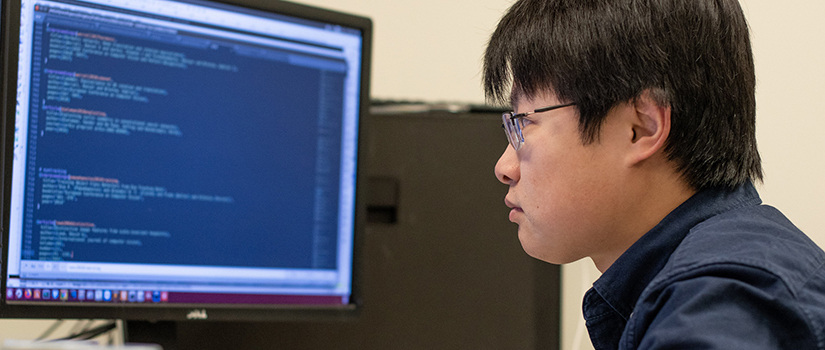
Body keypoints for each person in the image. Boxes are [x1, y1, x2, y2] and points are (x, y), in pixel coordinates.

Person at [484, 0, 825, 348]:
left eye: (522, 124)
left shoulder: (718, 307)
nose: (504, 167)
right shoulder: (729, 270)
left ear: (641, 128)